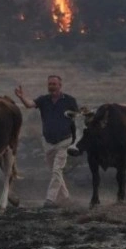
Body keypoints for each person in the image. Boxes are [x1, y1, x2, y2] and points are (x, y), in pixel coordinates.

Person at [15, 75, 79, 208]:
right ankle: (66, 198)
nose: (52, 86)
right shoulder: (44, 100)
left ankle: (50, 200)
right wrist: (21, 96)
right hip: (48, 142)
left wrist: (75, 139)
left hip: (64, 141)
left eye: (54, 84)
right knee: (56, 172)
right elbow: (29, 105)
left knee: (57, 170)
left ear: (60, 86)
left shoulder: (70, 101)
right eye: (50, 84)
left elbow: (76, 119)